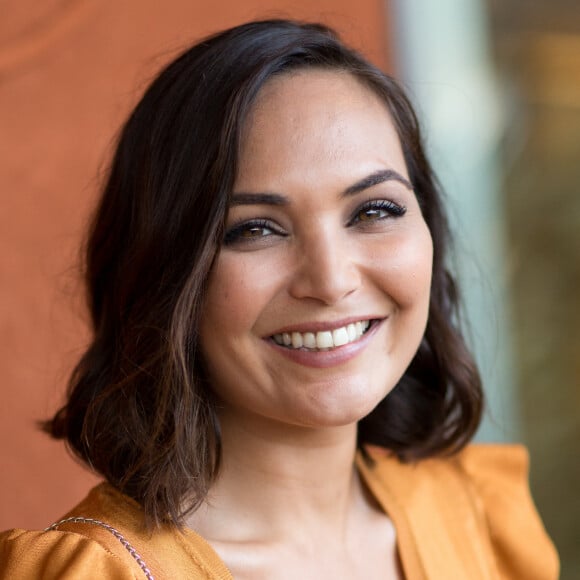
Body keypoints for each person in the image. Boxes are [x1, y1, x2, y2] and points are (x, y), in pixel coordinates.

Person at [0, 19, 558, 579]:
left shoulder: (478, 521)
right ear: (164, 275)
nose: (331, 279)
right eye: (256, 229)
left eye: (374, 211)